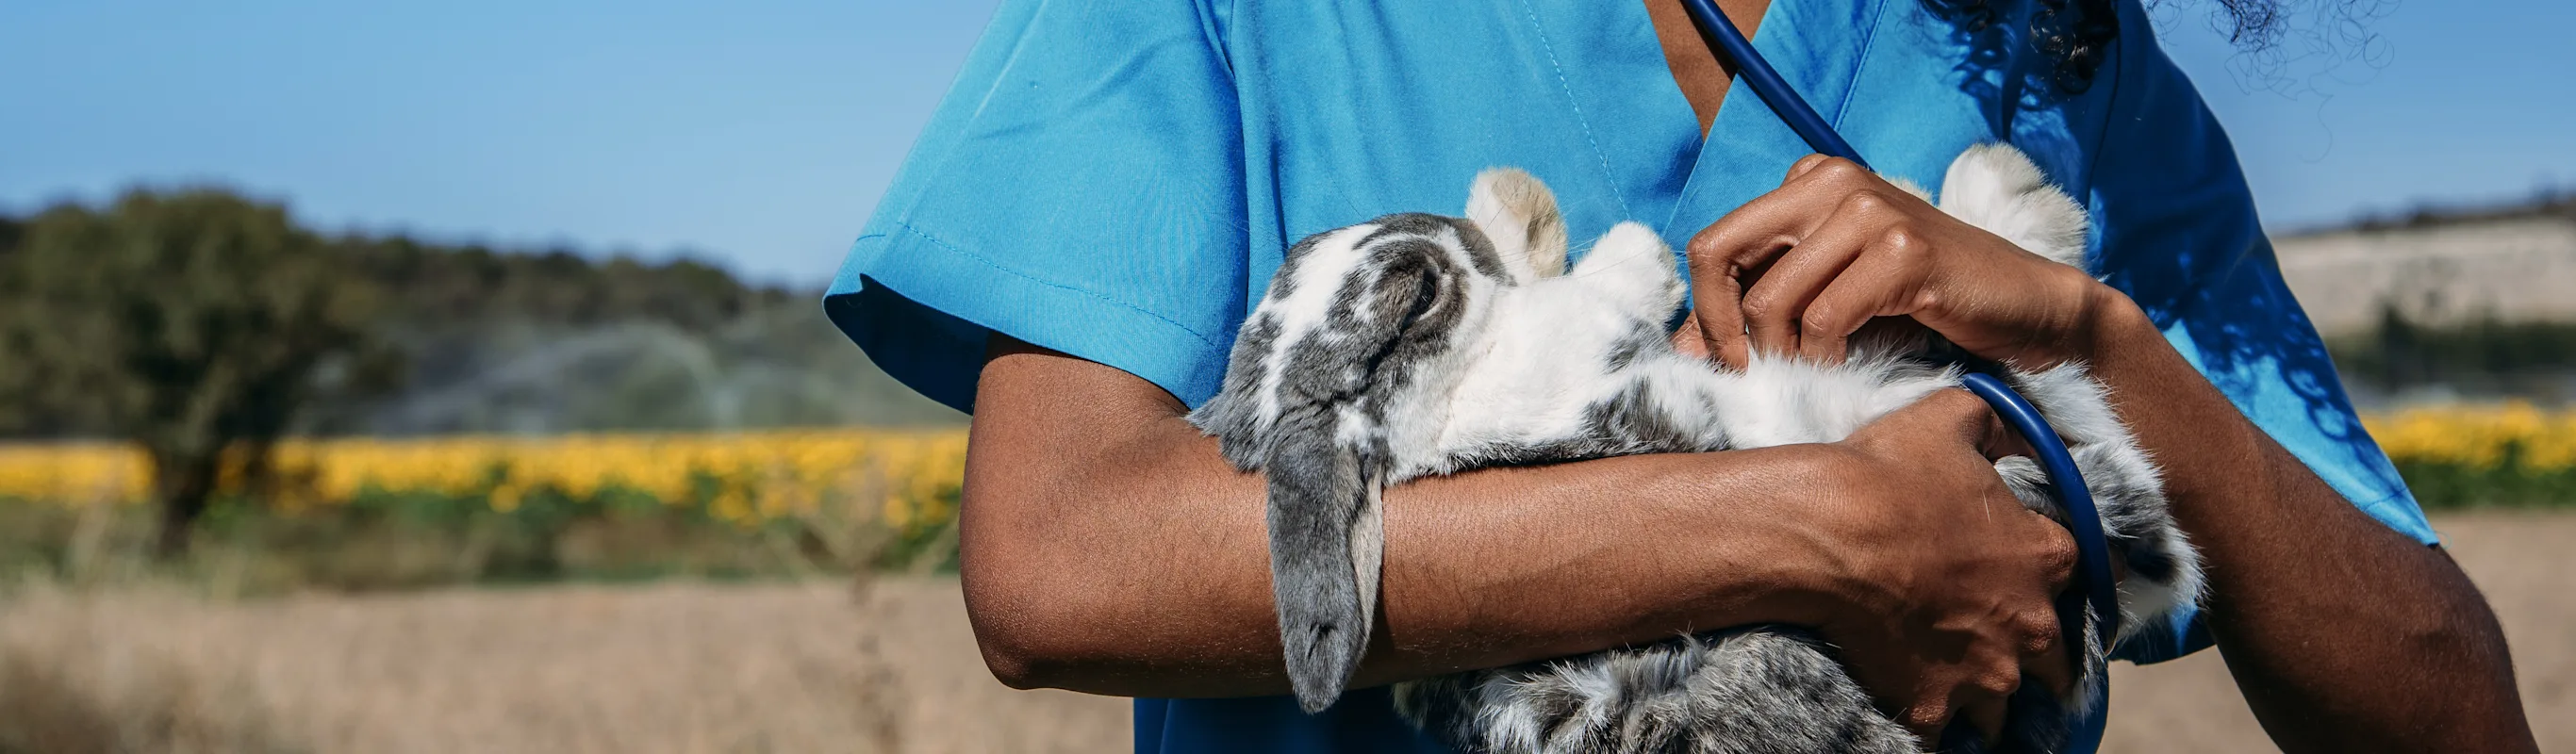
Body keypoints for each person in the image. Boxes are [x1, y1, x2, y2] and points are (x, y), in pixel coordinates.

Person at [826, 0, 2537, 750]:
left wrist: (2090, 338)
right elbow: (1059, 564)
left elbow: (2449, 711)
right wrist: (1814, 532)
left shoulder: (2054, 52)